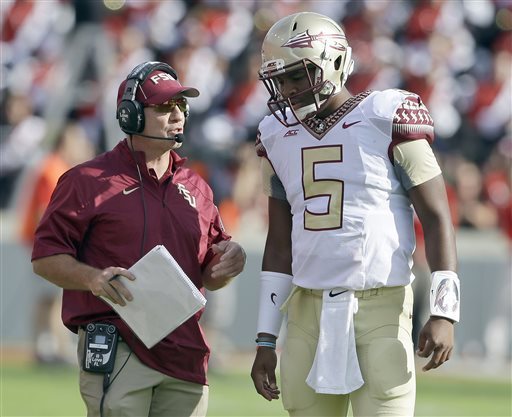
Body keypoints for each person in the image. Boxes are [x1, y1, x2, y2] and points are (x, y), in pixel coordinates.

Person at [250, 12, 460, 417]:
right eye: (280, 80)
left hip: (380, 304)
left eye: (297, 75)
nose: (288, 90)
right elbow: (278, 245)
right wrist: (264, 339)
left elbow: (437, 217)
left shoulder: (386, 114)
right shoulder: (274, 136)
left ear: (333, 61)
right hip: (306, 310)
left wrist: (444, 311)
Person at [31, 61, 246, 417]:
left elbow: (210, 274)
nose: (177, 115)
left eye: (181, 105)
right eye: (164, 107)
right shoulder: (86, 180)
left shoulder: (197, 187)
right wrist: (92, 278)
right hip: (119, 346)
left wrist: (230, 262)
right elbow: (44, 257)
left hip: (186, 354)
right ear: (129, 115)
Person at [20, 121, 95, 364]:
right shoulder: (53, 168)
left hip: (43, 241)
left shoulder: (57, 167)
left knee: (48, 299)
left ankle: (44, 347)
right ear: (65, 142)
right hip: (47, 244)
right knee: (54, 297)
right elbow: (44, 212)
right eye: (77, 140)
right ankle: (57, 349)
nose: (82, 145)